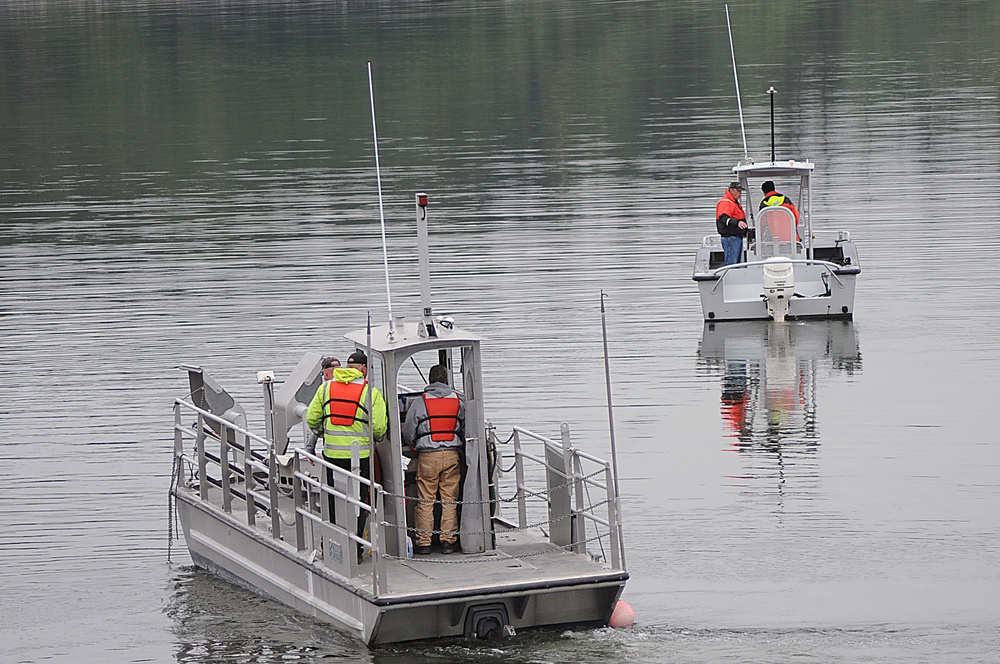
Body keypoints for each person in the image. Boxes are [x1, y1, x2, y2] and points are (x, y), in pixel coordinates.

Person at [305, 350, 387, 558]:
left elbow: (312, 418)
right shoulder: (371, 392)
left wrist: (326, 433)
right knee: (358, 502)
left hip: (332, 456)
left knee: (333, 500)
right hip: (360, 457)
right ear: (364, 369)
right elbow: (379, 427)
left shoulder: (326, 388)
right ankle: (355, 550)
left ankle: (332, 545)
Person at [402, 364, 465, 555]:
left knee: (425, 501)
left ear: (430, 381)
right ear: (446, 380)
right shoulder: (458, 401)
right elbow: (464, 427)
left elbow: (408, 430)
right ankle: (448, 542)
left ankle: (424, 543)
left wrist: (414, 444)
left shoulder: (420, 403)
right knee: (449, 501)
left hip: (428, 456)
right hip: (452, 455)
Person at [305, 356, 340, 456]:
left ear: (325, 373)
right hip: (360, 449)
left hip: (332, 449)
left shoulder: (325, 390)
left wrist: (310, 447)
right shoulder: (358, 387)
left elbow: (313, 419)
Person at [716, 181, 748, 266]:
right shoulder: (726, 202)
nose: (740, 193)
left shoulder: (733, 202)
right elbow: (723, 218)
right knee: (731, 264)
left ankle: (735, 277)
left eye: (741, 191)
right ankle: (729, 277)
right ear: (731, 190)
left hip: (736, 237)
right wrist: (737, 223)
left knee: (735, 264)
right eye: (738, 191)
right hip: (730, 238)